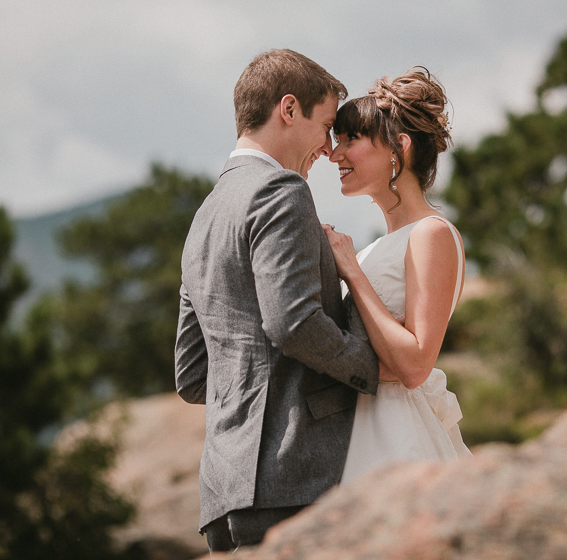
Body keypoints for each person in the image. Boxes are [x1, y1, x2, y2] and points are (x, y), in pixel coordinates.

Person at [174, 49, 386, 552]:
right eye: (327, 125)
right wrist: (370, 367)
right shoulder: (281, 190)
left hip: (224, 489)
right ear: (288, 110)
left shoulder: (204, 216)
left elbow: (191, 374)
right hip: (293, 475)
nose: (330, 146)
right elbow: (291, 324)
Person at [323, 67, 472, 483]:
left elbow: (415, 364)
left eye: (351, 139)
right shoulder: (377, 246)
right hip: (354, 427)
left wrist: (351, 271)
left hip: (396, 437)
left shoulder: (432, 233)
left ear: (398, 149)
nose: (336, 155)